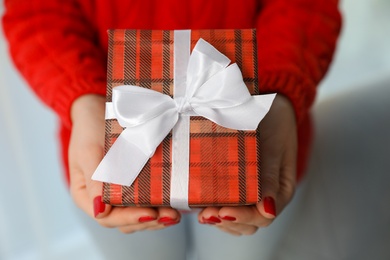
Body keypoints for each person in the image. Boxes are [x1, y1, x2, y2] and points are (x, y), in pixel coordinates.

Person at [2, 0, 341, 259]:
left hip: (261, 138)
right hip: (109, 151)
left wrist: (279, 95)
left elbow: (306, 6)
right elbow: (36, 12)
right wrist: (82, 99)